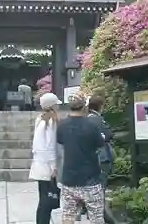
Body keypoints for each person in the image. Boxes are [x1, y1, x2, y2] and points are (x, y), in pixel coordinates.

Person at [57, 93, 110, 224]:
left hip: (69, 178)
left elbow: (60, 142)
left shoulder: (62, 125)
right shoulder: (91, 125)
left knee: (68, 215)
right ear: (84, 107)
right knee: (96, 216)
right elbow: (100, 143)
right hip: (90, 178)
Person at [77, 95, 116, 223]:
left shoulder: (85, 119)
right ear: (101, 106)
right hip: (101, 158)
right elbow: (109, 135)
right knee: (100, 191)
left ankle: (88, 211)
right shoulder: (96, 120)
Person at [29, 92, 63, 224]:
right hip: (46, 164)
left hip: (40, 163)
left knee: (44, 197)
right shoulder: (50, 121)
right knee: (46, 200)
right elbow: (48, 145)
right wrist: (53, 166)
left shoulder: (41, 119)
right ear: (52, 105)